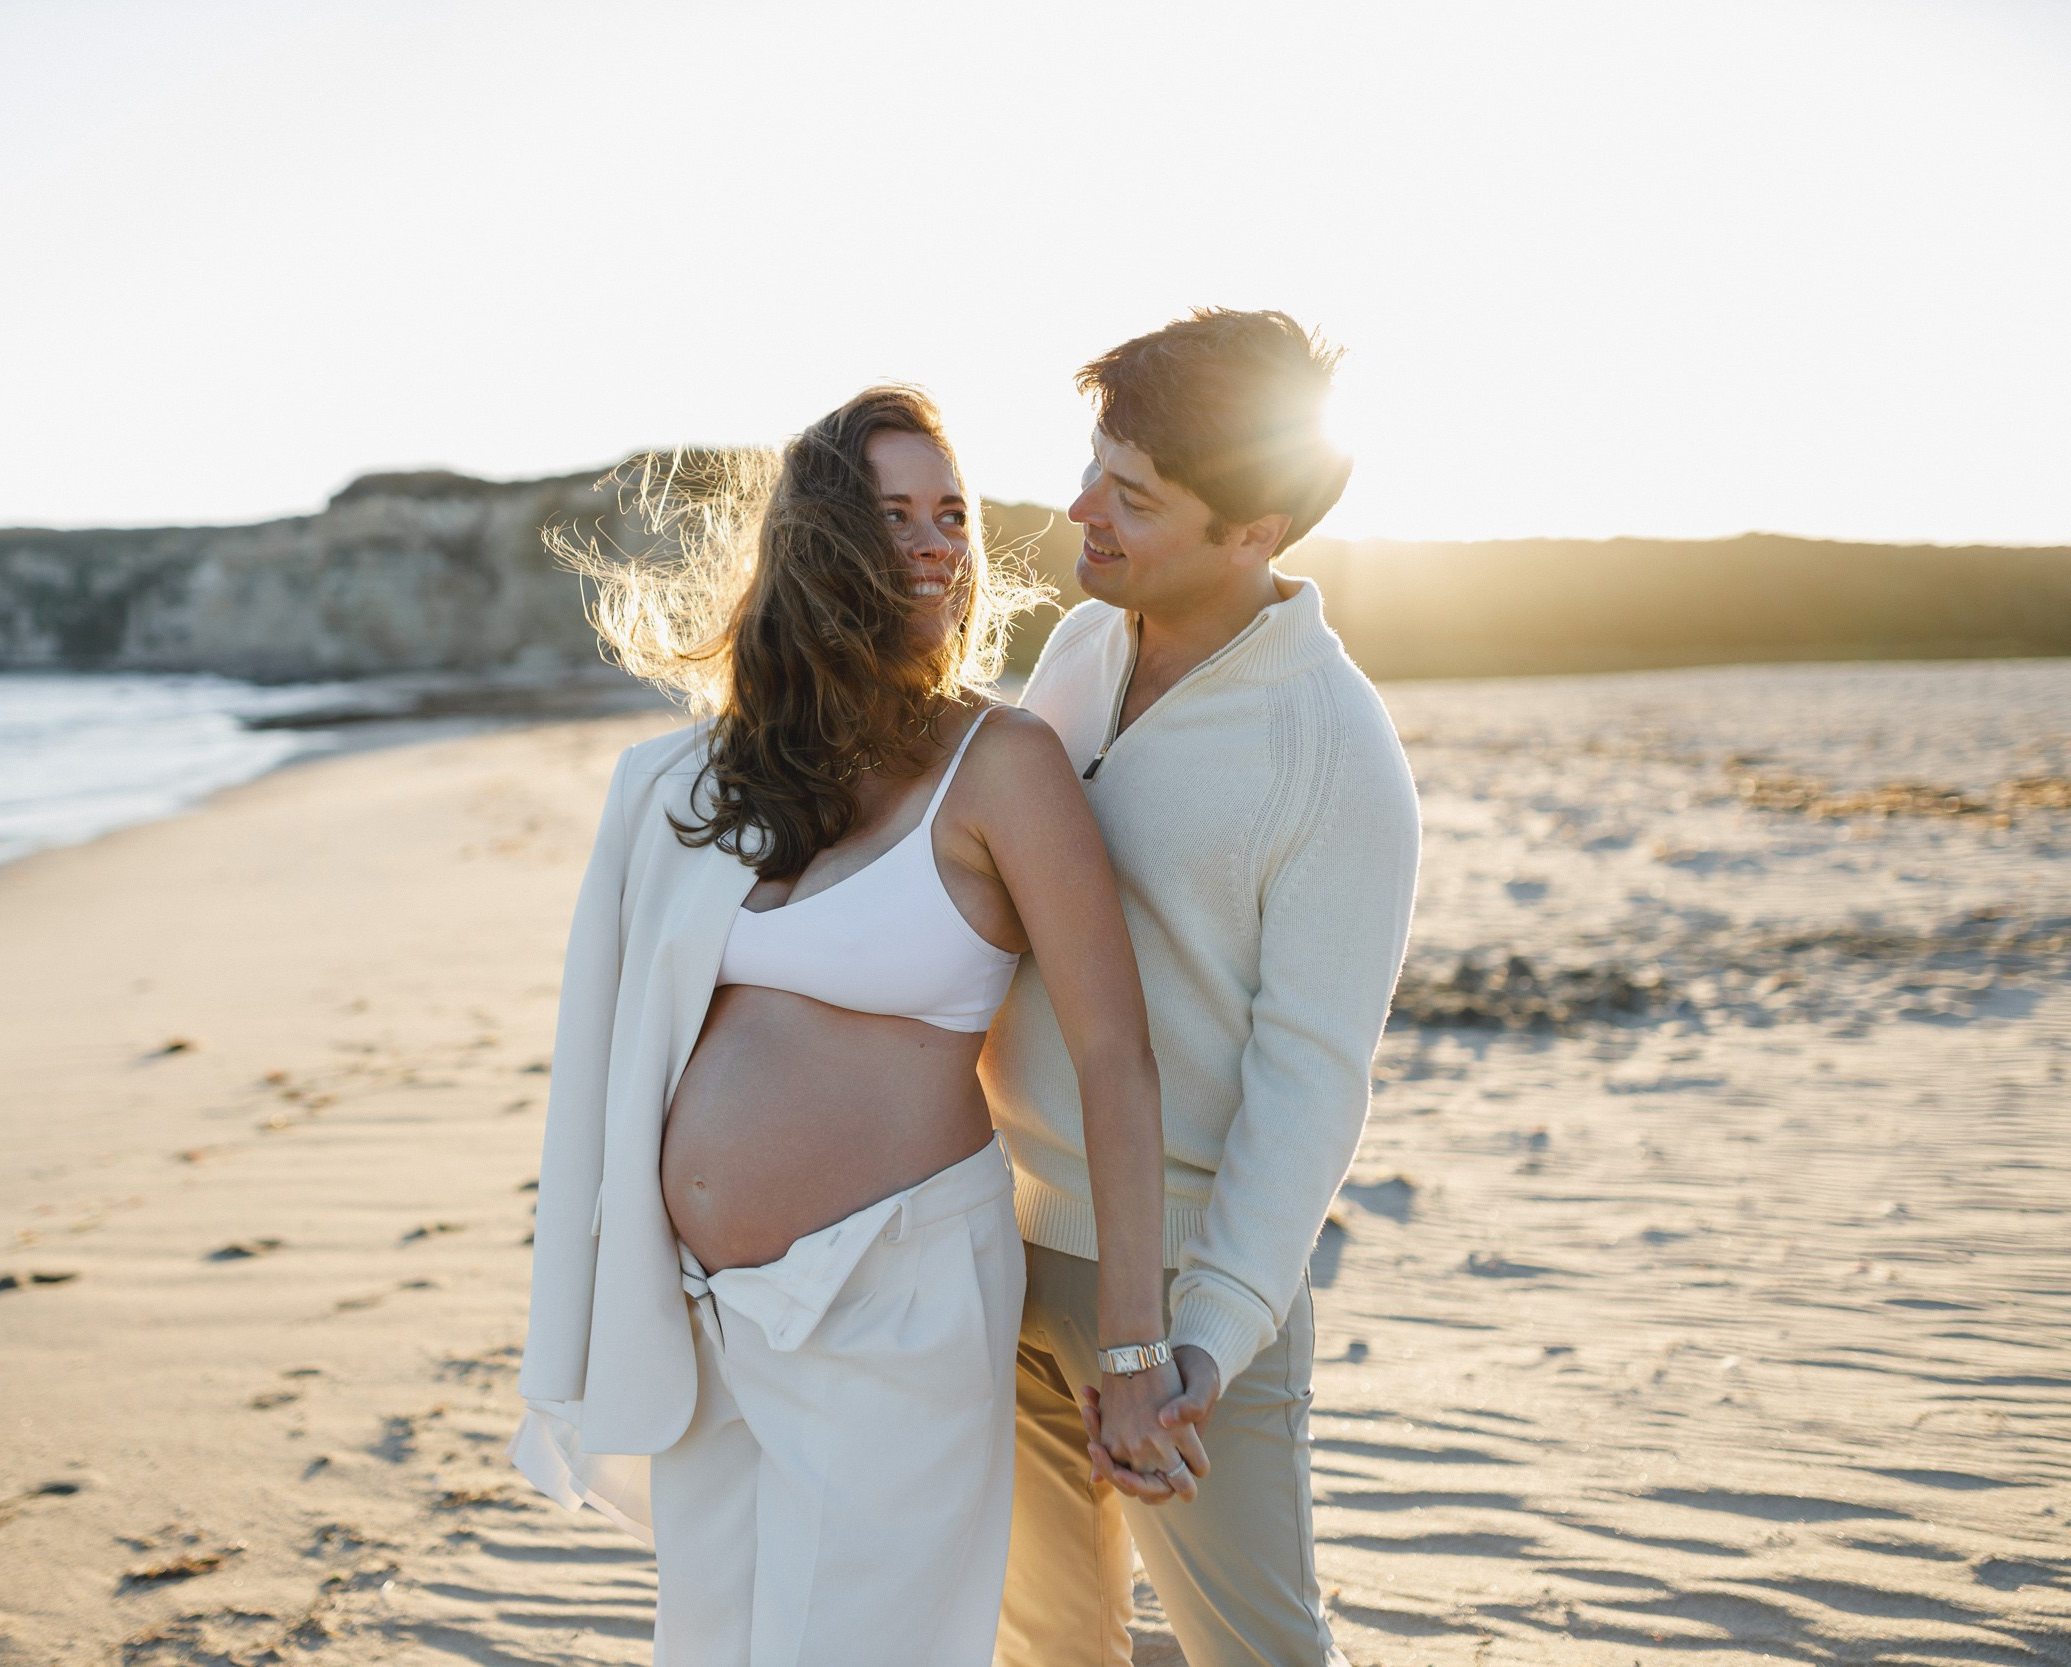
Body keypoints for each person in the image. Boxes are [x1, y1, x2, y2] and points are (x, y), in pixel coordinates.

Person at [510, 387, 1185, 1667]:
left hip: (898, 1300)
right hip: (708, 1315)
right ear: (818, 544)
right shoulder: (711, 780)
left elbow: (1116, 1054)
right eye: (893, 515)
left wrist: (1136, 1339)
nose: (938, 543)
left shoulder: (1004, 763)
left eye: (952, 516)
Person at [984, 310, 1422, 1667]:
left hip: (1181, 1288)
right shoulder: (1081, 649)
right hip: (997, 1246)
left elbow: (1312, 1078)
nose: (1081, 513)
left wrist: (1209, 1340)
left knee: (1261, 1650)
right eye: (1093, 469)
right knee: (1050, 1643)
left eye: (1133, 497)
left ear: (1256, 528)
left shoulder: (1334, 755)